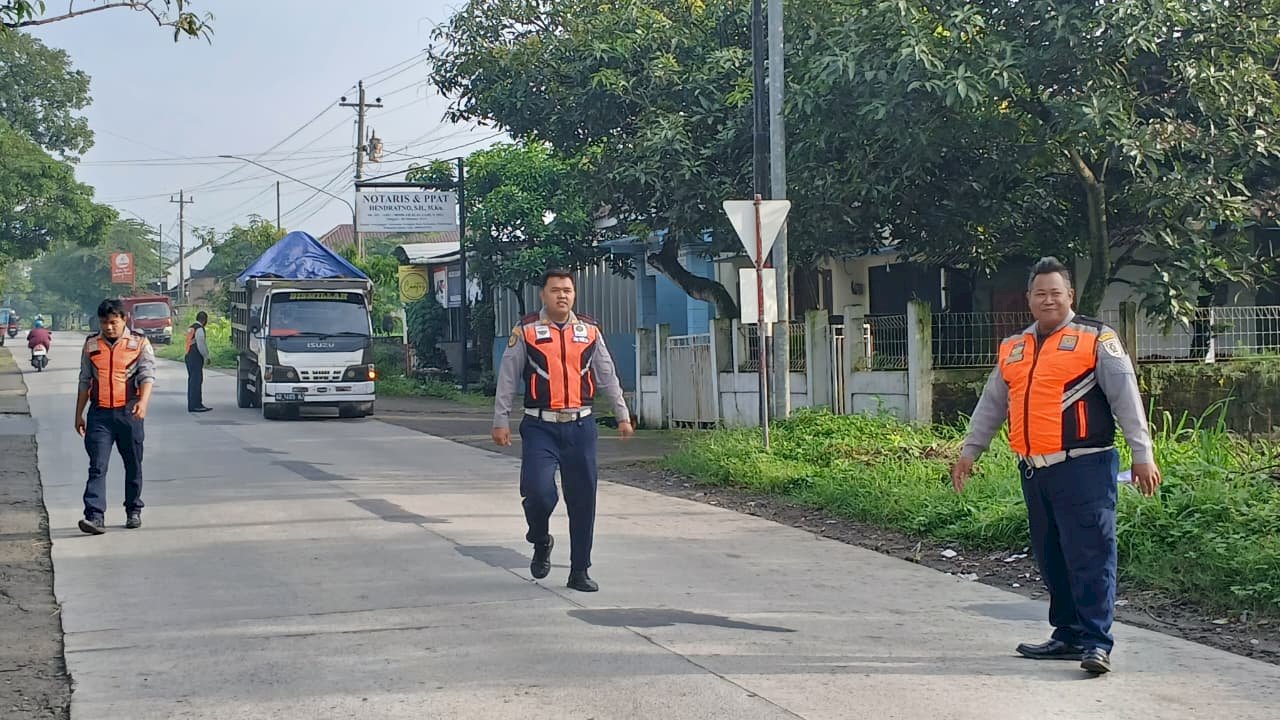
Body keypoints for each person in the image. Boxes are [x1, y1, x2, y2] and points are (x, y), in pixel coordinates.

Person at [950, 257, 1162, 675]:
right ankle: (1066, 633)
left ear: (1071, 296)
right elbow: (992, 404)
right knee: (1052, 556)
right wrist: (970, 452)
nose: (1048, 300)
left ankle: (1096, 642)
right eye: (1040, 293)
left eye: (1056, 292)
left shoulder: (1096, 339)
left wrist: (1143, 454)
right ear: (1028, 299)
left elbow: (1126, 398)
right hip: (1035, 469)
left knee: (1091, 555)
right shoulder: (1014, 347)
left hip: (1085, 466)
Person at [492, 269, 634, 592]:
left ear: (574, 294)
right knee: (539, 492)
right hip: (540, 425)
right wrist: (500, 420)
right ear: (543, 294)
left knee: (583, 500)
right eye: (555, 290)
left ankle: (579, 571)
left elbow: (607, 375)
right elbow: (508, 378)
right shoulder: (526, 330)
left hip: (582, 426)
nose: (562, 295)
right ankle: (540, 539)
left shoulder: (589, 331)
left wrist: (622, 414)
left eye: (568, 290)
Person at [75, 299, 156, 534]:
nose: (109, 327)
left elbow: (147, 375)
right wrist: (78, 414)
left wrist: (143, 402)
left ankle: (133, 510)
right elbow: (84, 381)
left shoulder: (139, 343)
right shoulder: (91, 344)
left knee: (133, 464)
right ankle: (94, 516)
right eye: (104, 323)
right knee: (97, 466)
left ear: (124, 319)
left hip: (129, 412)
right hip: (100, 415)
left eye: (113, 322)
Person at [185, 311, 212, 413]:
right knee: (196, 381)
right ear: (204, 320)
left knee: (192, 381)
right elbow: (201, 344)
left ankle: (192, 404)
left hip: (188, 356)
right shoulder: (199, 329)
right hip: (195, 357)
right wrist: (206, 356)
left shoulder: (191, 328)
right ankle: (196, 405)